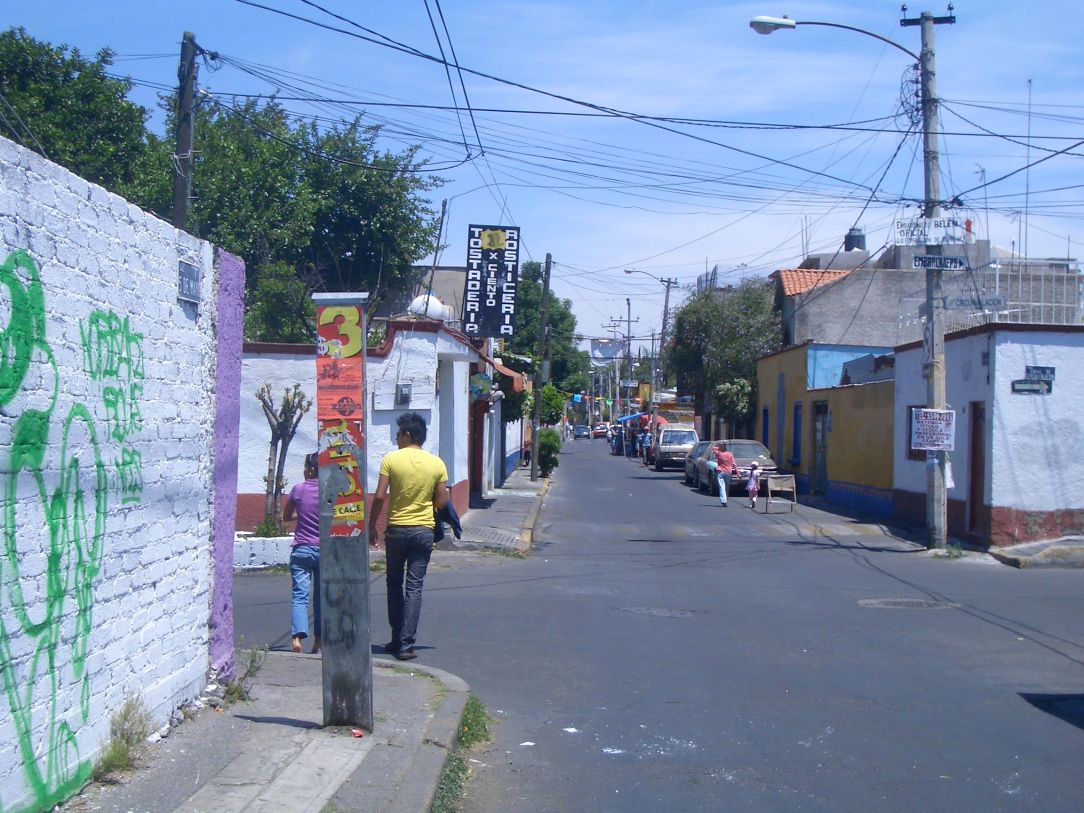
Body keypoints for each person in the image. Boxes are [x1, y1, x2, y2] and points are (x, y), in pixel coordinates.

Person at [368, 412, 448, 661]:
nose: (396, 437)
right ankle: (406, 644)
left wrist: (371, 525)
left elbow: (379, 496)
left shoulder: (391, 459)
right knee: (414, 586)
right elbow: (442, 501)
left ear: (407, 434)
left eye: (398, 433)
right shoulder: (437, 464)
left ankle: (396, 637)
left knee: (394, 583)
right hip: (423, 531)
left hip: (396, 530)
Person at [284, 452, 321, 654]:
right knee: (321, 597)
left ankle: (297, 638)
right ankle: (318, 643)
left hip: (302, 549)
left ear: (312, 469)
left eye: (306, 467)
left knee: (300, 595)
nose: (304, 470)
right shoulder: (330, 490)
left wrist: (301, 514)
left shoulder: (298, 489)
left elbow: (286, 516)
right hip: (324, 550)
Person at [711, 442, 738, 507]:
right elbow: (734, 464)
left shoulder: (719, 454)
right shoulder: (730, 454)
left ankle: (724, 500)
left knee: (721, 486)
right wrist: (738, 473)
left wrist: (718, 447)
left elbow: (713, 448)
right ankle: (726, 497)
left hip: (720, 471)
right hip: (728, 472)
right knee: (727, 486)